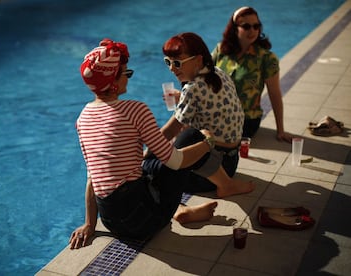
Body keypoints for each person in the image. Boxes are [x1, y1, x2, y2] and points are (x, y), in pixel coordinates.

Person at [69, 38, 254, 249]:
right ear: (113, 81)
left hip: (112, 222)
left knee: (151, 160)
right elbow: (176, 162)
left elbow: (92, 176)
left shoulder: (83, 118)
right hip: (145, 220)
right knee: (189, 140)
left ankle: (182, 210)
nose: (128, 79)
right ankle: (198, 198)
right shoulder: (135, 110)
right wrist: (207, 141)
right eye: (126, 74)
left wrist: (89, 224)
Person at [158, 32, 244, 190]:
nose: (171, 68)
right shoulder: (217, 72)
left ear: (198, 59)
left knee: (159, 169)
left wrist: (144, 154)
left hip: (210, 171)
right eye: (168, 62)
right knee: (181, 137)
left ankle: (226, 186)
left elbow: (169, 131)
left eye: (177, 63)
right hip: (231, 162)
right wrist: (182, 97)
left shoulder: (193, 89)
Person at [211, 6, 293, 142]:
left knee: (198, 136)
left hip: (246, 120)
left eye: (256, 26)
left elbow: (275, 94)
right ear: (234, 28)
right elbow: (203, 76)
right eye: (246, 26)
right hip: (217, 114)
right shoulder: (221, 50)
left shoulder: (266, 58)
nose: (252, 31)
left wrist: (281, 130)